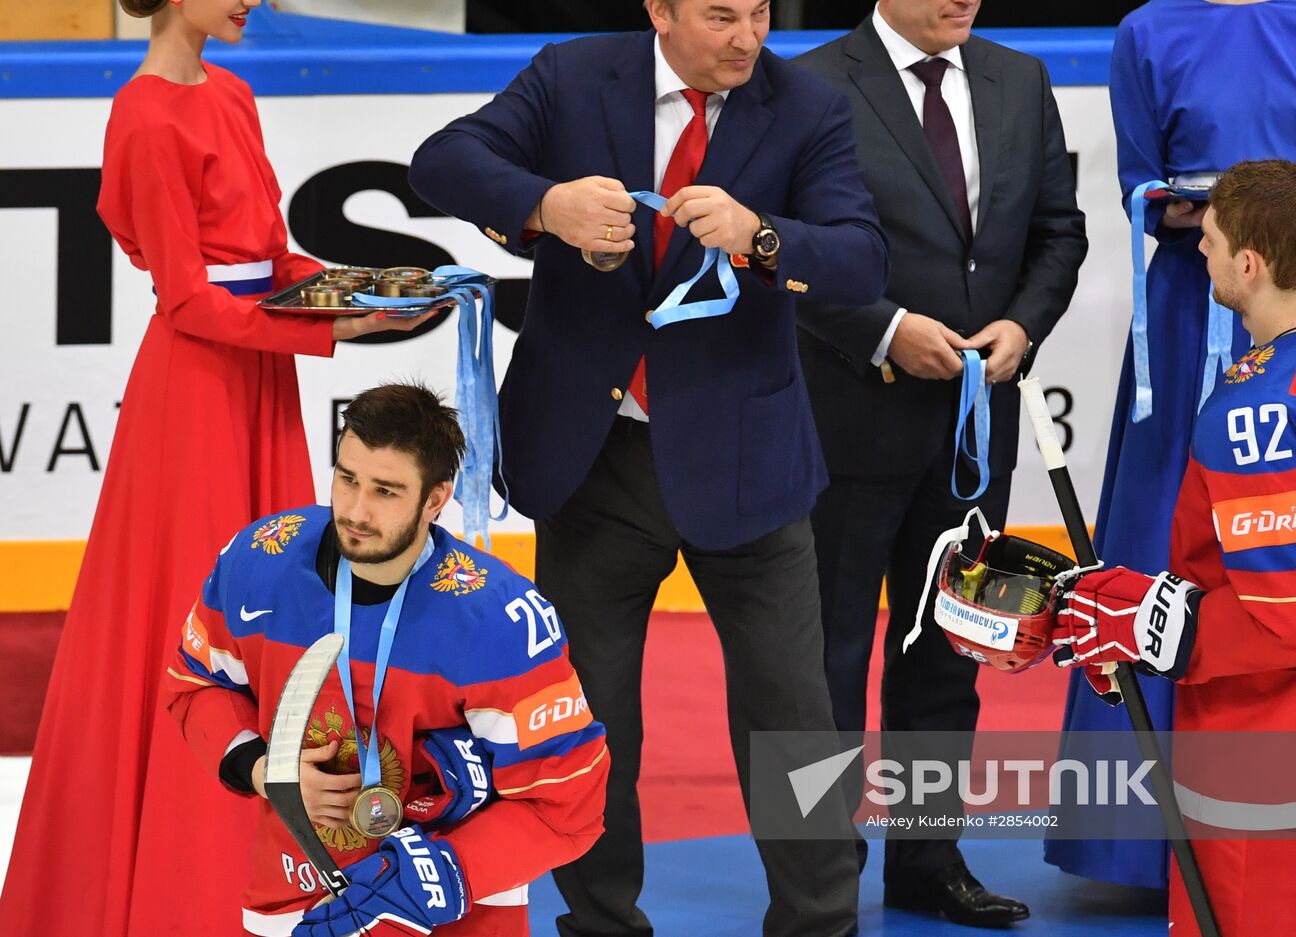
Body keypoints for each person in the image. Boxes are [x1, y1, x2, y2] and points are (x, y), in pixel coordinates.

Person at [408, 1, 889, 934]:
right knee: (591, 725)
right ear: (660, 10)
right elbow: (443, 160)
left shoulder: (808, 106)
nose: (748, 37)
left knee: (794, 720)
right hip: (593, 465)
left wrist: (762, 235)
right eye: (720, 15)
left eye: (759, 13)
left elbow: (862, 261)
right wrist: (542, 206)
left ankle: (819, 922)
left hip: (748, 468)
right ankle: (598, 925)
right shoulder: (574, 75)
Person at [0, 3, 432, 936]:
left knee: (273, 605)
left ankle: (276, 860)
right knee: (199, 610)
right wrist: (322, 325)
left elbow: (270, 256)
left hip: (262, 370)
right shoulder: (144, 113)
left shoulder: (232, 92)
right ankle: (179, 872)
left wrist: (358, 292)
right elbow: (186, 294)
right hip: (196, 389)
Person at [1049, 0, 1296, 888]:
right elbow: (1139, 191)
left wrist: (1278, 230)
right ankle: (1142, 838)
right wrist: (1222, 224)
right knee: (1165, 539)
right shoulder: (1148, 29)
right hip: (1196, 312)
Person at [793, 0, 1086, 927]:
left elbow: (1058, 232)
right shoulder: (811, 84)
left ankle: (927, 861)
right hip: (845, 420)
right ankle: (820, 878)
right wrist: (881, 330)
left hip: (971, 432)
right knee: (828, 658)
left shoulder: (1021, 81)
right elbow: (781, 253)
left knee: (949, 652)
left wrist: (1024, 323)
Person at [163, 382, 609, 936]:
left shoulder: (499, 622)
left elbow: (569, 805)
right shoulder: (260, 563)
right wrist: (264, 772)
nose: (355, 510)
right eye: (347, 478)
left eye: (386, 491)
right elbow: (195, 684)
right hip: (296, 895)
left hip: (455, 910)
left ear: (435, 500)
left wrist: (436, 875)